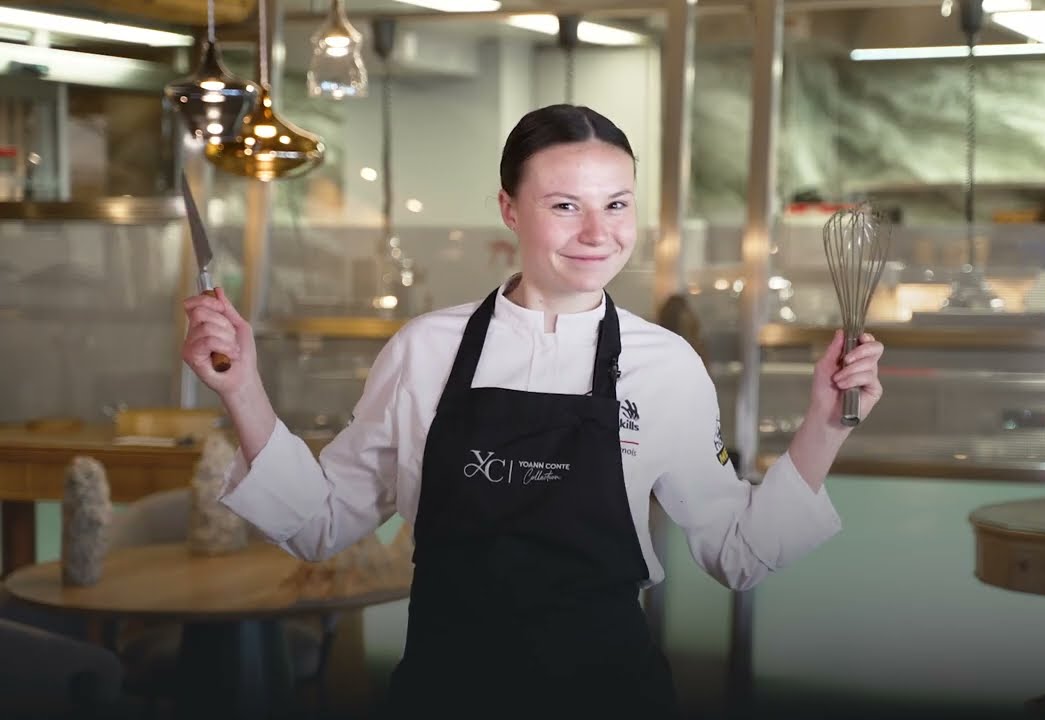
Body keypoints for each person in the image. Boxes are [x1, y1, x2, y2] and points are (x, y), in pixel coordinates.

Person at [181, 104, 885, 718]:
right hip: (446, 695)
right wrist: (242, 389)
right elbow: (320, 524)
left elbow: (737, 554)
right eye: (565, 206)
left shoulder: (667, 365)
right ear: (509, 209)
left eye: (617, 204)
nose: (598, 232)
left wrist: (825, 425)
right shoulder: (426, 350)